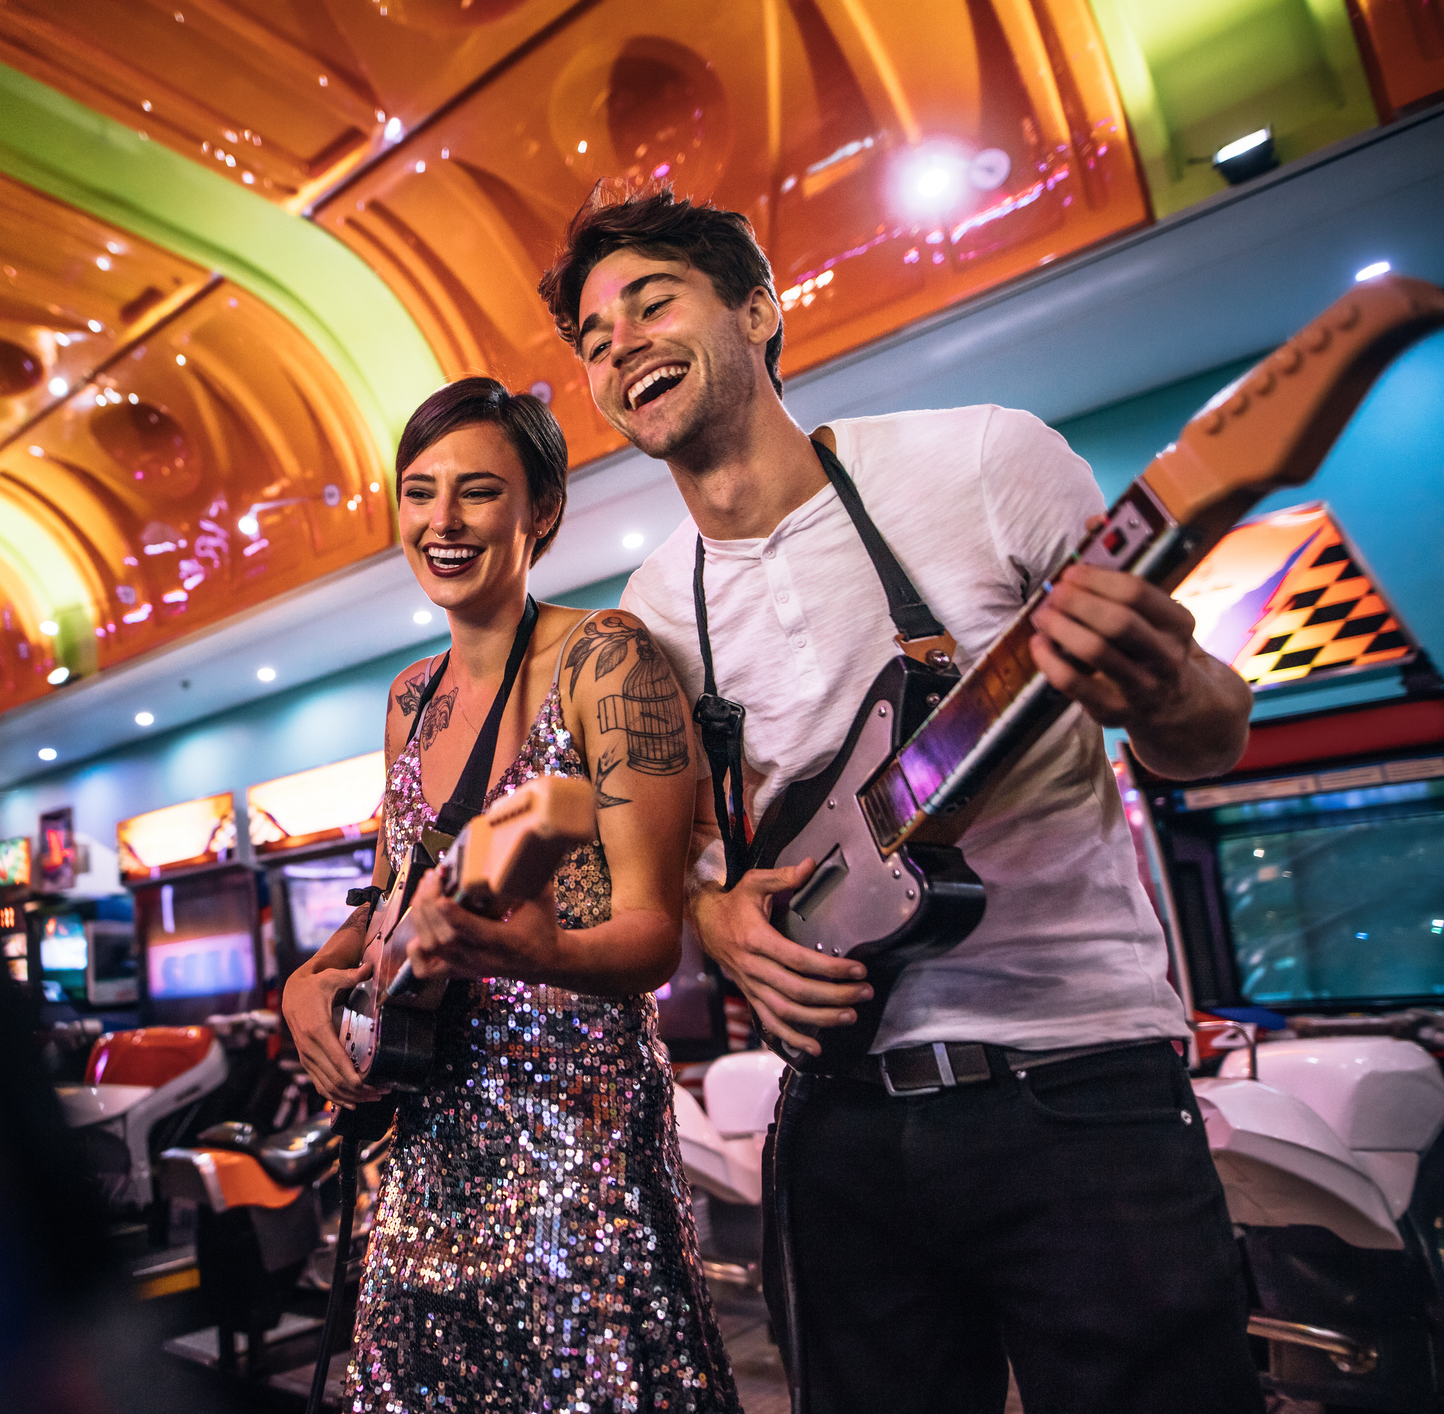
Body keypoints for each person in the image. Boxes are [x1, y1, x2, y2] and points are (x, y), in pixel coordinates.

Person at [536, 184, 1261, 1413]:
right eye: (595, 341)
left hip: (1081, 1083)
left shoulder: (983, 460)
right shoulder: (650, 613)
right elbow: (681, 860)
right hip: (838, 1118)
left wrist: (1159, 682)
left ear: (758, 311)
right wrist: (718, 920)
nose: (620, 348)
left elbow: (1212, 735)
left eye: (651, 303)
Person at [283, 376, 739, 1413]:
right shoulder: (409, 697)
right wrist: (307, 982)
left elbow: (653, 936)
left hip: (576, 1141)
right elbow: (391, 893)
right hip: (424, 1147)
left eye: (478, 491)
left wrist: (545, 954)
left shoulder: (605, 657)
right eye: (420, 491)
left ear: (543, 510)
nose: (442, 521)